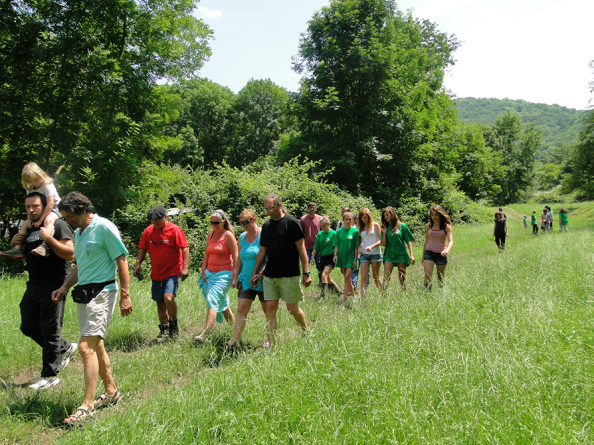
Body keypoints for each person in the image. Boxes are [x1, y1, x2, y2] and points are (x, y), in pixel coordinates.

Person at [51, 192, 132, 426]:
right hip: (84, 294)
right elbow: (80, 265)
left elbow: (121, 260)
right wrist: (65, 286)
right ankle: (111, 391)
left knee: (86, 347)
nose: (67, 222)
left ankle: (87, 406)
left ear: (81, 210)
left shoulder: (104, 227)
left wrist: (125, 296)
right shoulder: (79, 232)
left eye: (69, 216)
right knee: (96, 345)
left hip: (103, 292)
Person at [8, 192, 78, 390]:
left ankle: (50, 375)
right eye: (28, 206)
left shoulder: (57, 225)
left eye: (35, 206)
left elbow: (70, 254)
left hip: (54, 284)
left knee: (50, 330)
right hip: (34, 284)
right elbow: (28, 257)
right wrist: (16, 243)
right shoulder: (30, 228)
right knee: (28, 326)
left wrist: (49, 239)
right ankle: (66, 348)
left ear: (45, 206)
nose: (31, 210)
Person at [250, 194, 311, 346]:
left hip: (289, 274)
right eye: (266, 209)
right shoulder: (266, 226)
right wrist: (255, 273)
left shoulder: (291, 223)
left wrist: (306, 272)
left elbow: (301, 248)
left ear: (279, 205)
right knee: (270, 307)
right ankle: (271, 342)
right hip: (270, 274)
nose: (268, 211)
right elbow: (262, 251)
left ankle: (305, 329)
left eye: (271, 208)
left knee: (292, 309)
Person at [133, 206, 189, 340]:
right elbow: (142, 249)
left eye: (158, 220)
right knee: (159, 303)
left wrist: (185, 267)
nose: (155, 223)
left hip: (173, 270)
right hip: (157, 272)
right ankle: (164, 329)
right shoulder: (148, 231)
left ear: (165, 217)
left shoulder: (174, 230)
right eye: (153, 221)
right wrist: (137, 264)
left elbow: (185, 248)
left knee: (168, 297)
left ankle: (173, 325)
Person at [1, 162, 61, 259]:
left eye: (36, 179)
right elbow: (29, 205)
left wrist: (40, 221)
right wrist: (29, 220)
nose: (34, 183)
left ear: (40, 174)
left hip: (54, 208)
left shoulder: (46, 184)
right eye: (30, 181)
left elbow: (50, 204)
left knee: (48, 221)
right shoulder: (30, 188)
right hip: (39, 210)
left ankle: (44, 246)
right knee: (24, 225)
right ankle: (18, 248)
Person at [194, 210, 237, 341]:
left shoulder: (228, 235)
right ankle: (234, 327)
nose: (214, 225)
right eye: (212, 223)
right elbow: (207, 253)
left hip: (224, 274)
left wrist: (235, 275)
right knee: (221, 301)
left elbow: (235, 255)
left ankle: (205, 334)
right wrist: (203, 269)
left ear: (223, 221)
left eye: (216, 222)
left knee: (212, 299)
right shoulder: (211, 234)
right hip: (210, 273)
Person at [228, 209, 267, 347]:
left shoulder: (264, 234)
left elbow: (270, 257)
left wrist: (262, 273)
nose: (244, 225)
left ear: (254, 219)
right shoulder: (242, 237)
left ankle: (270, 340)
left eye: (247, 222)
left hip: (263, 279)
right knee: (242, 308)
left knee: (267, 309)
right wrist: (235, 275)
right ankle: (235, 341)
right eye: (241, 223)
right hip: (246, 278)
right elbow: (239, 258)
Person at [380, 207, 415, 289]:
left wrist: (411, 255)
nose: (386, 217)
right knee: (386, 278)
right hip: (389, 255)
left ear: (392, 214)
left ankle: (404, 296)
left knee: (402, 278)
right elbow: (384, 244)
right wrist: (384, 233)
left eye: (387, 215)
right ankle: (382, 298)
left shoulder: (402, 226)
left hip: (401, 255)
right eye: (384, 215)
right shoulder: (385, 227)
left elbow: (408, 241)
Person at [421, 205, 453, 290]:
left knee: (440, 276)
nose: (434, 217)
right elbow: (426, 241)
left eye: (436, 214)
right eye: (432, 214)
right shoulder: (428, 226)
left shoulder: (446, 226)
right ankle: (428, 293)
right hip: (429, 251)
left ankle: (441, 292)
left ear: (440, 215)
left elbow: (451, 241)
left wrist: (447, 250)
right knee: (427, 274)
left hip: (441, 253)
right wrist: (423, 256)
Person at [310, 216, 341, 297]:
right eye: (321, 226)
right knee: (328, 278)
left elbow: (338, 245)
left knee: (324, 274)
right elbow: (315, 247)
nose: (322, 228)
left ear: (328, 224)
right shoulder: (320, 234)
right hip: (322, 257)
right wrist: (312, 257)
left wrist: (336, 255)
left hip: (331, 257)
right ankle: (339, 291)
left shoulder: (334, 233)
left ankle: (323, 296)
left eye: (324, 226)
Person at [333, 212, 360, 305]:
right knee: (346, 278)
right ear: (343, 220)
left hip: (351, 258)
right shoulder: (339, 231)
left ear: (352, 220)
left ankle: (344, 301)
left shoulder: (355, 232)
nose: (348, 221)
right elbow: (337, 244)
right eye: (346, 219)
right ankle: (354, 296)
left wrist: (355, 259)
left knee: (347, 278)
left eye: (350, 219)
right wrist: (335, 255)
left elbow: (357, 246)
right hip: (342, 257)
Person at [357, 207, 382, 298]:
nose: (364, 219)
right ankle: (362, 299)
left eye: (365, 217)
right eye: (362, 218)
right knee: (363, 278)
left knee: (375, 277)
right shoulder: (361, 227)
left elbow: (381, 241)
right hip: (364, 254)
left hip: (375, 254)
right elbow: (362, 240)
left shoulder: (375, 225)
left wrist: (372, 246)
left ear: (369, 216)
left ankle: (382, 294)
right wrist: (360, 247)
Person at [300, 202, 323, 283]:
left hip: (318, 246)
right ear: (308, 208)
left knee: (319, 264)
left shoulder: (320, 219)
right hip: (306, 245)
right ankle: (306, 280)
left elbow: (323, 232)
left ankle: (321, 280)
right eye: (310, 207)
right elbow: (301, 232)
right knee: (306, 263)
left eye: (313, 207)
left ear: (316, 209)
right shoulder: (303, 219)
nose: (312, 209)